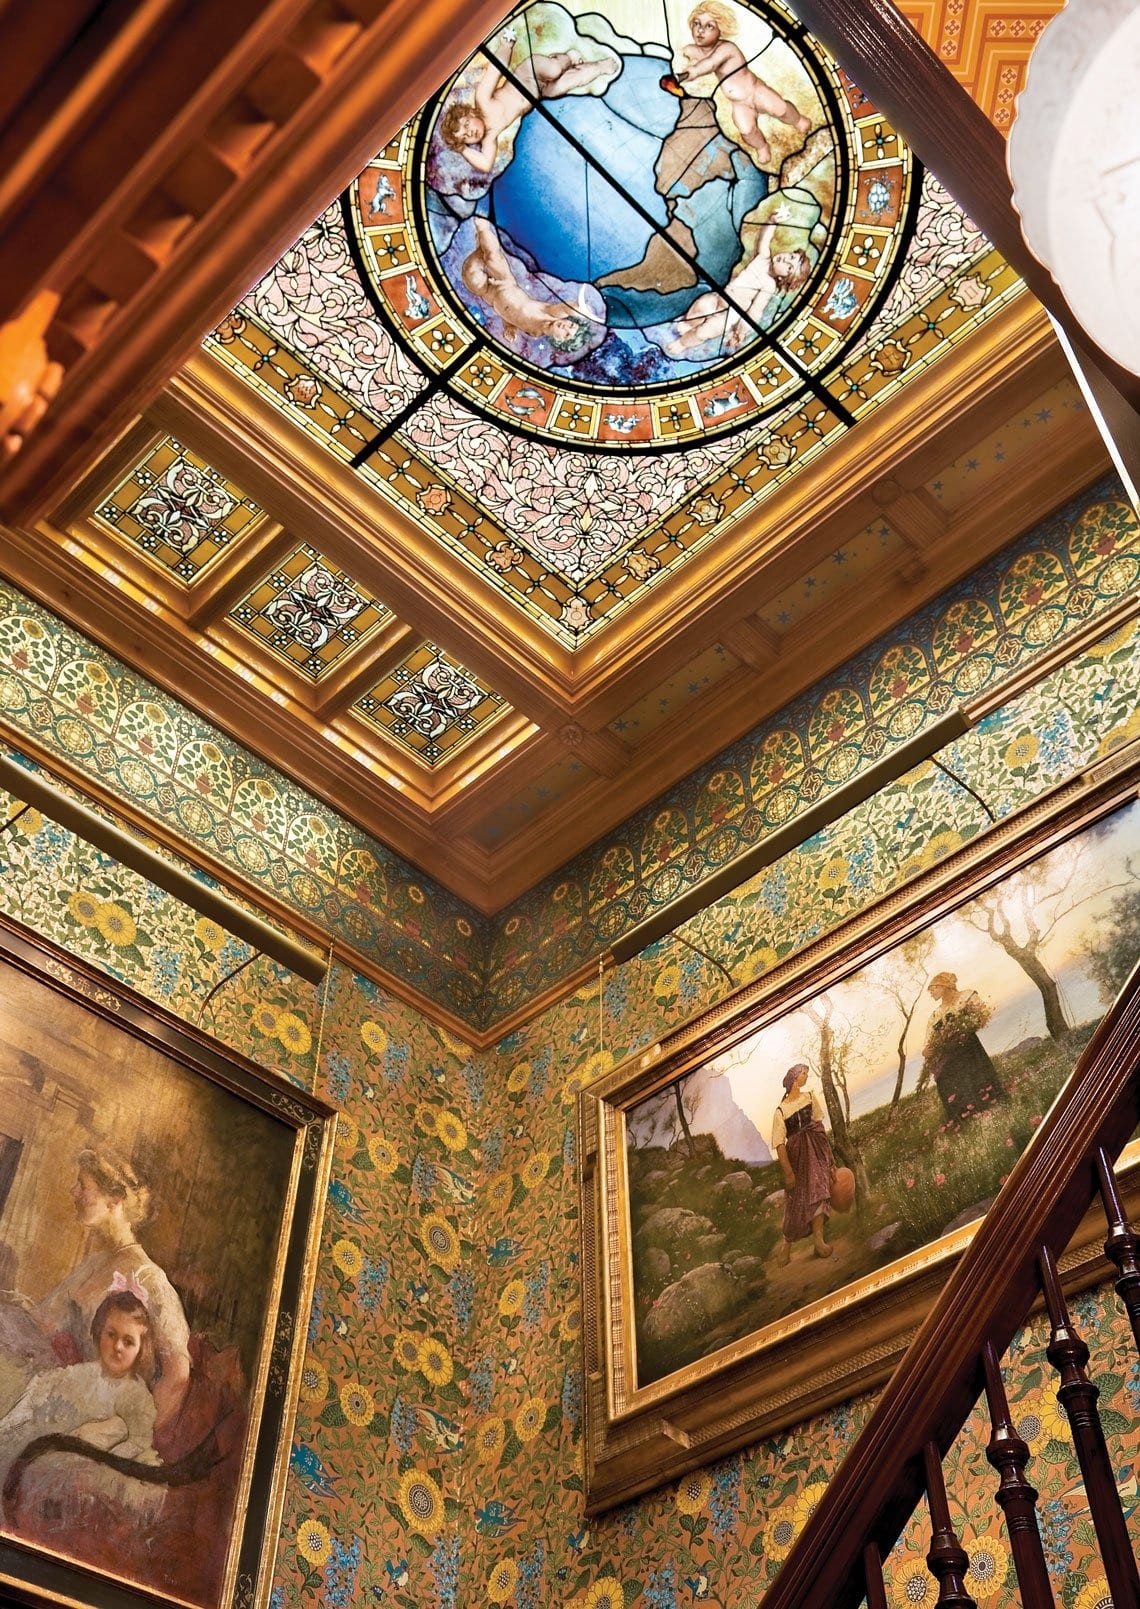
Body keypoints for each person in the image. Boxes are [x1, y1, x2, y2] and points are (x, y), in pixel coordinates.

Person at [30, 1148, 191, 1433]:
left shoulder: (149, 1278)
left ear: (115, 1199)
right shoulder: (92, 1264)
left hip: (101, 1418)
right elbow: (43, 1324)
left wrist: (136, 1436)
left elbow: (177, 1375)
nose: (73, 1191)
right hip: (67, 1392)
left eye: (83, 1185)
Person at [439, 48, 620, 174]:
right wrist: (461, 149)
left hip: (529, 72)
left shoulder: (483, 100)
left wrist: (506, 45)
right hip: (539, 93)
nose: (469, 132)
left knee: (554, 69)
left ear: (469, 113)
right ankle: (599, 67)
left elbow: (496, 69)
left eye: (466, 125)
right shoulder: (489, 138)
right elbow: (486, 165)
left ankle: (568, 58)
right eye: (465, 137)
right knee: (567, 83)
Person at [674, 3, 811, 164]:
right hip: (739, 103)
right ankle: (761, 146)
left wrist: (687, 74)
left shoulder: (726, 48)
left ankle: (798, 120)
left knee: (780, 108)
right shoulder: (693, 50)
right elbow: (684, 59)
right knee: (747, 131)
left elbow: (710, 64)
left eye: (709, 26)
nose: (700, 30)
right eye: (696, 24)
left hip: (756, 92)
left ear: (721, 30)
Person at [664, 221, 811, 355]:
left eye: (789, 267)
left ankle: (682, 343)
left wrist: (741, 332)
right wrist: (772, 221)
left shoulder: (769, 285)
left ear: (783, 278)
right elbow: (764, 239)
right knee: (700, 307)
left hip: (729, 314)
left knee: (704, 332)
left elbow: (755, 311)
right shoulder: (763, 258)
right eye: (791, 256)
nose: (786, 259)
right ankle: (688, 324)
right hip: (719, 298)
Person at [461, 217, 596, 354]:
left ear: (560, 342)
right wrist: (579, 309)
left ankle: (481, 245)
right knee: (492, 257)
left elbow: (514, 315)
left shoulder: (534, 332)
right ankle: (483, 228)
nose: (565, 326)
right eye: (571, 324)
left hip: (489, 295)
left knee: (470, 275)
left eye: (567, 334)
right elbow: (566, 309)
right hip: (505, 282)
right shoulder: (550, 313)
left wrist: (509, 327)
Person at [771, 1063, 835, 1263]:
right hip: (797, 1157)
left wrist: (829, 1159)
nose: (806, 1076)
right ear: (794, 1078)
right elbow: (780, 1144)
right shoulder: (781, 1111)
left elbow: (819, 1126)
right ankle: (787, 1244)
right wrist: (789, 1172)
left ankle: (818, 1241)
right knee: (796, 1201)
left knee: (819, 1193)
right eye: (803, 1073)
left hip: (815, 1150)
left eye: (806, 1073)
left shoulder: (809, 1097)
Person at [921, 972, 1005, 1120]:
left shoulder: (966, 996)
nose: (931, 993)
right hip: (948, 1058)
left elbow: (981, 1016)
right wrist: (926, 1051)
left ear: (943, 985)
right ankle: (964, 1120)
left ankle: (992, 1111)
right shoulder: (935, 1015)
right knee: (952, 1086)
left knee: (977, 1081)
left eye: (933, 988)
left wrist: (961, 1028)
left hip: (969, 1050)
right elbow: (928, 1043)